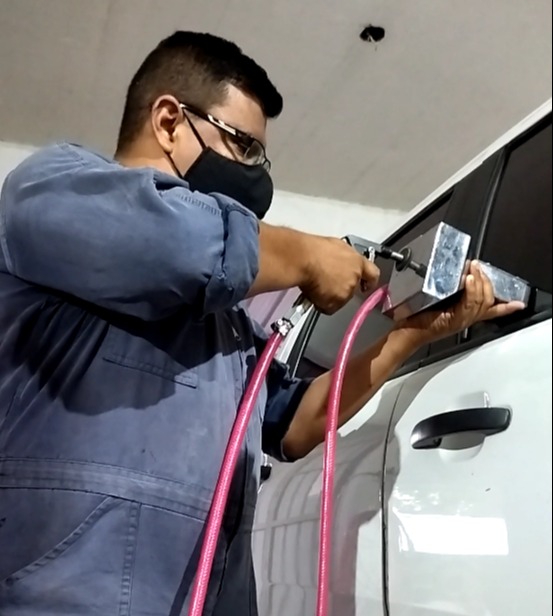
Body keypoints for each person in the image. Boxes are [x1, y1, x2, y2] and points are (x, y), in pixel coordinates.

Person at [0, 31, 523, 616]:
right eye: (243, 145)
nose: (254, 173)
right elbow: (169, 242)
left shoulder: (225, 323)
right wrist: (307, 255)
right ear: (170, 122)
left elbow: (295, 424)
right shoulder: (54, 185)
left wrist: (413, 335)